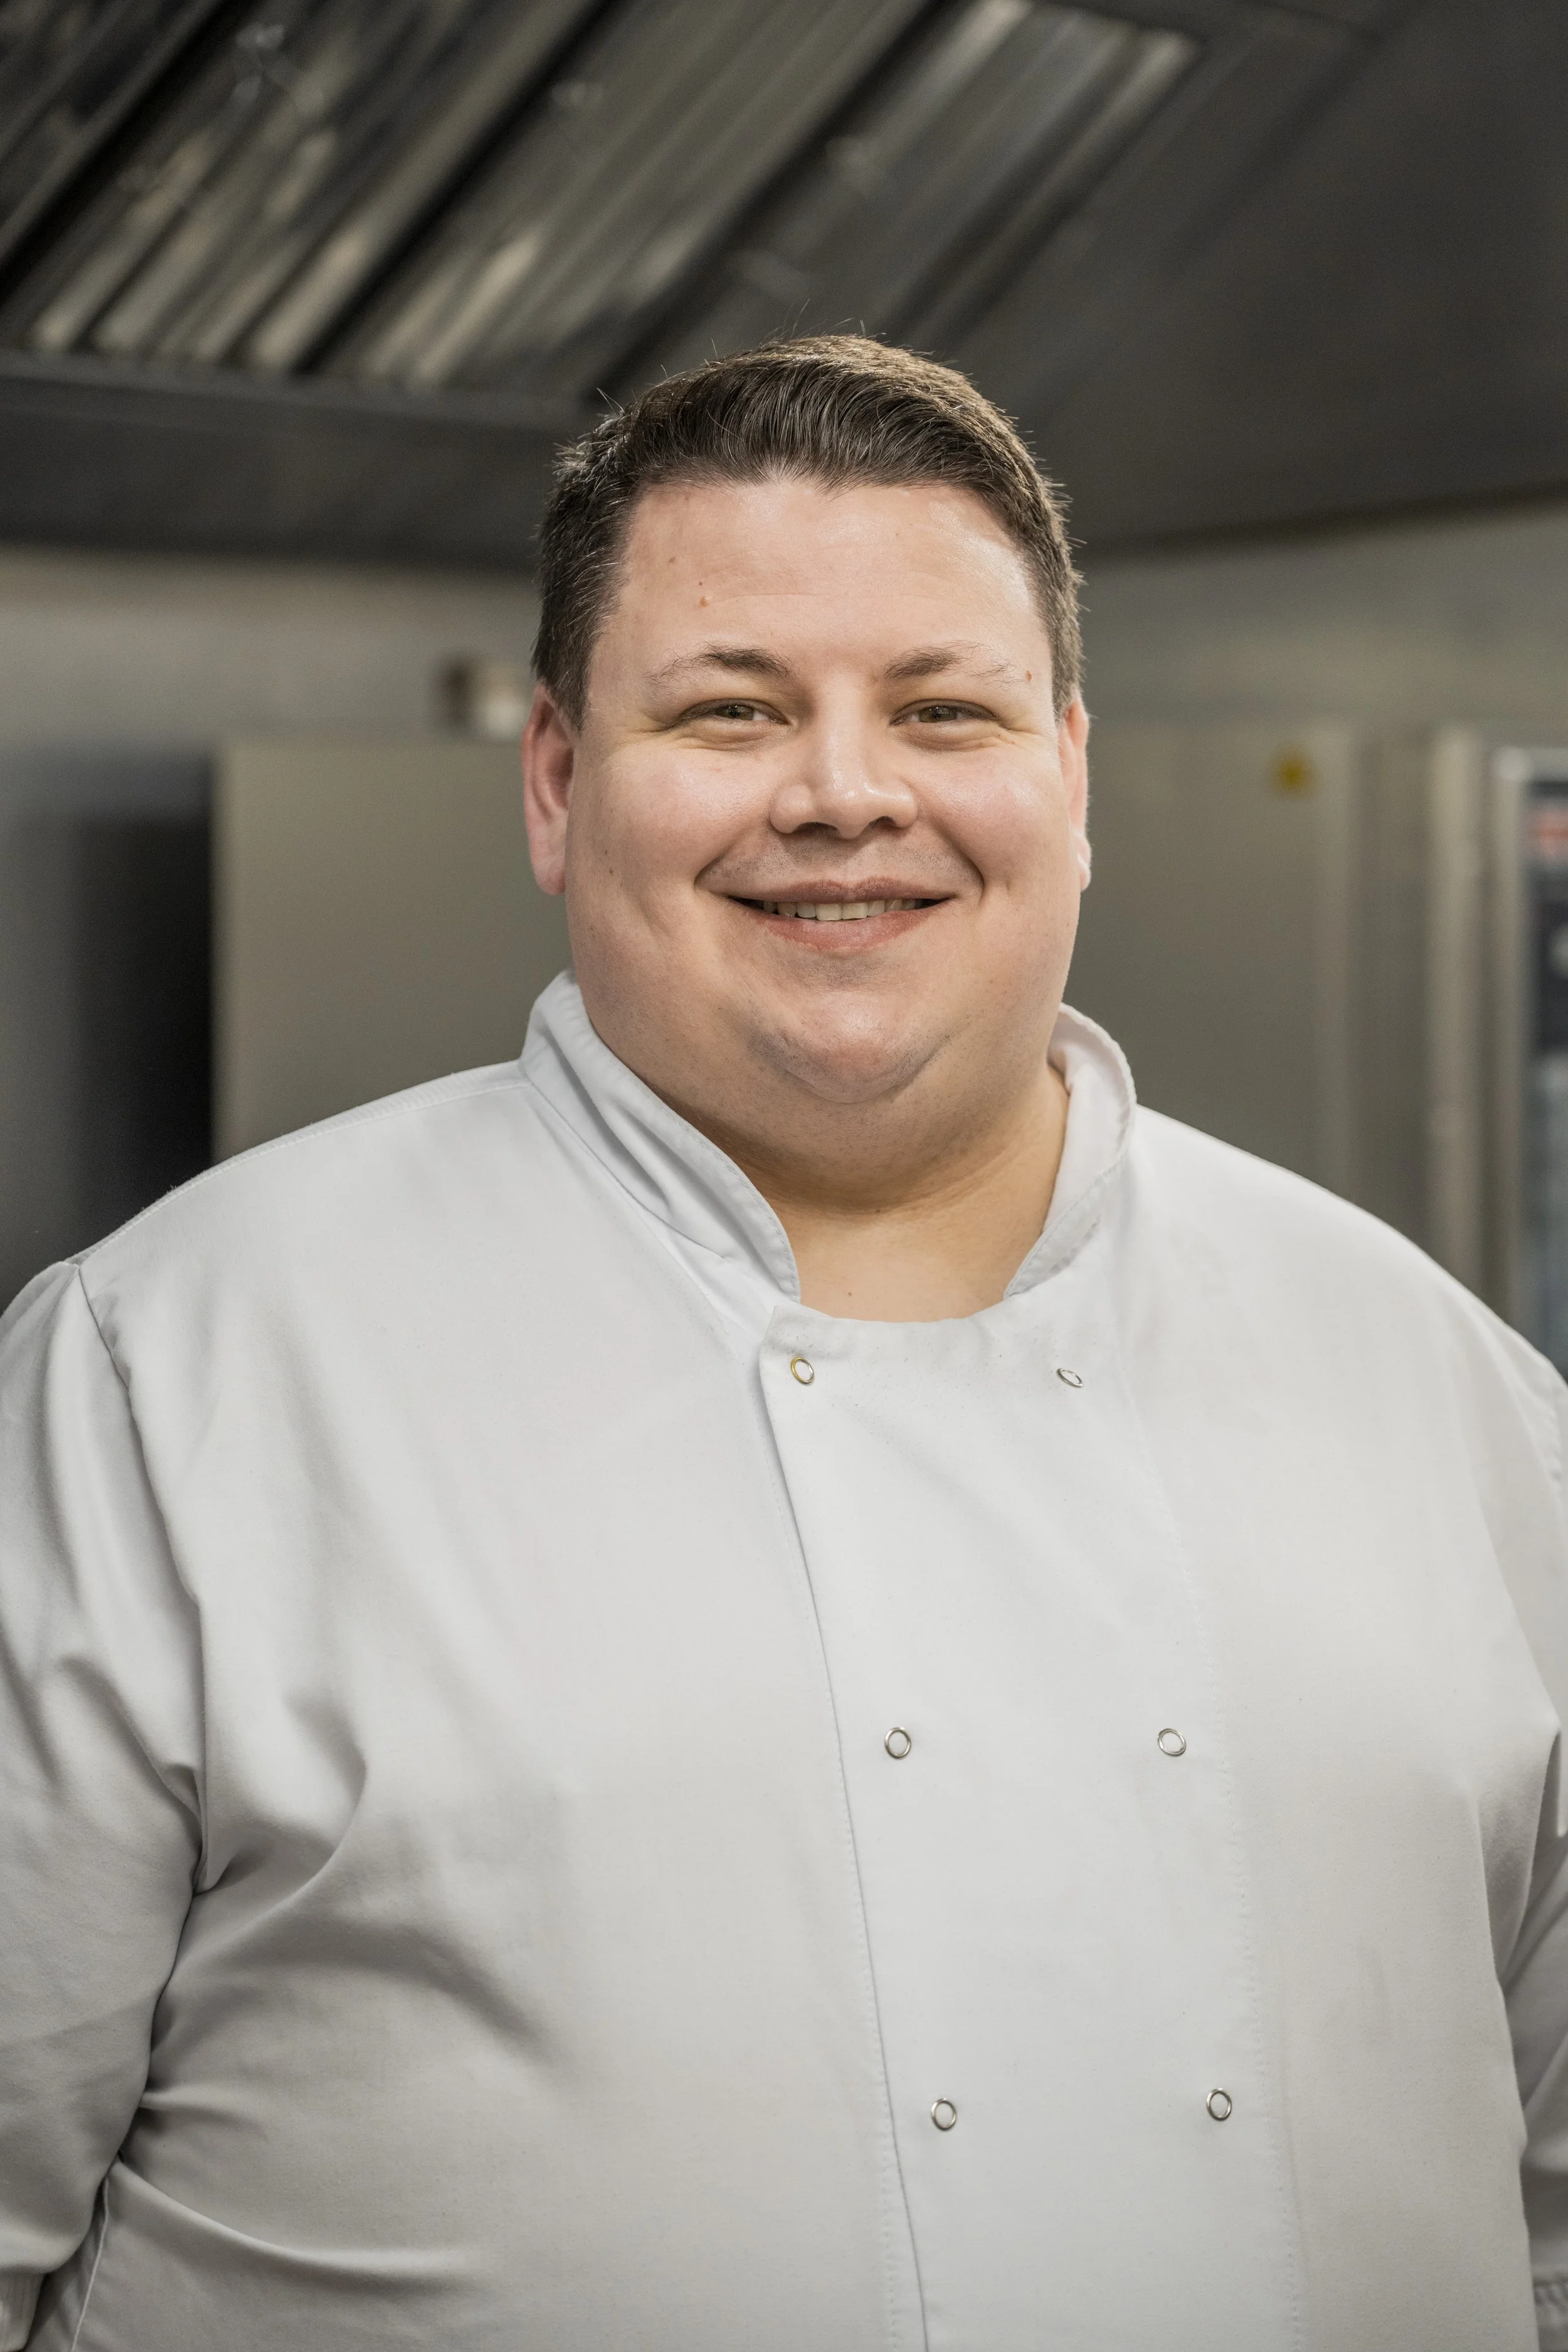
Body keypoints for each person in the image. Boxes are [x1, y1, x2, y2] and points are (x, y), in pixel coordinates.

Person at [3, 336, 1567, 2352]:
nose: (843, 794)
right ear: (560, 785)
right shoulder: (166, 1380)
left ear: (1071, 782)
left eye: (942, 709)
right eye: (732, 710)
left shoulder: (1439, 1391)